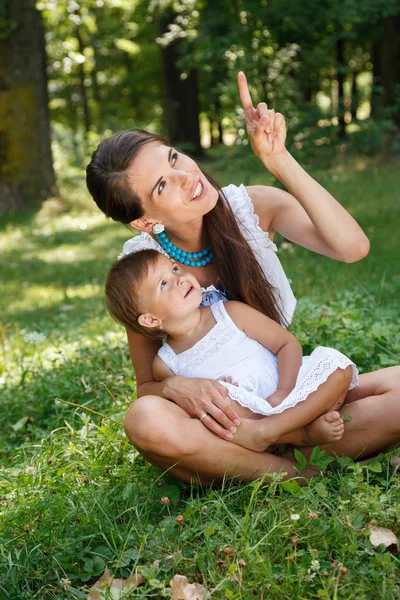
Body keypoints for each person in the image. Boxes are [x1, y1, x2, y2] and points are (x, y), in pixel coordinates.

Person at [86, 71, 400, 485]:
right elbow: (147, 386)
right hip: (225, 427)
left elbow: (352, 247)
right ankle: (296, 474)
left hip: (290, 395)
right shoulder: (144, 272)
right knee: (145, 420)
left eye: (174, 157)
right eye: (163, 186)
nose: (187, 178)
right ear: (145, 220)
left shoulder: (251, 207)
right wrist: (177, 387)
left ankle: (288, 454)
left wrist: (277, 160)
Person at [105, 249, 358, 453]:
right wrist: (224, 391)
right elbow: (194, 406)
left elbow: (287, 344)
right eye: (163, 284)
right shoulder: (166, 364)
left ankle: (277, 432)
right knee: (219, 409)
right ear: (150, 320)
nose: (179, 278)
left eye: (174, 268)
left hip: (288, 387)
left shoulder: (229, 313)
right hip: (245, 417)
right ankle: (300, 433)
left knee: (339, 368)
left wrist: (282, 391)